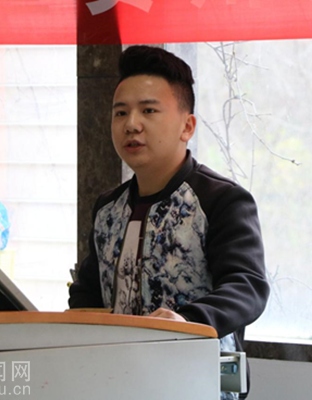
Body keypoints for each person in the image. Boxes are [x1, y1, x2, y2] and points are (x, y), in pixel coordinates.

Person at [68, 45, 270, 399]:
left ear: (187, 126)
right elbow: (87, 296)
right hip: (116, 384)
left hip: (201, 385)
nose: (132, 124)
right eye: (120, 112)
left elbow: (248, 287)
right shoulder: (107, 209)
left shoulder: (222, 200)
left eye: (148, 110)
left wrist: (188, 321)